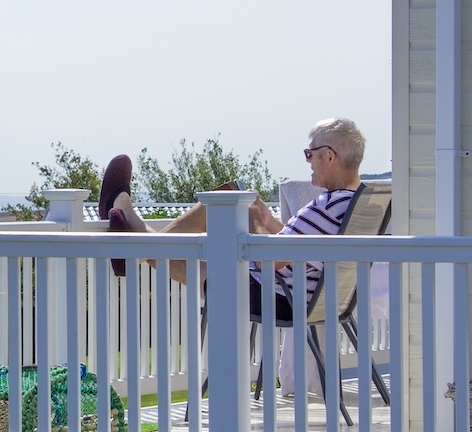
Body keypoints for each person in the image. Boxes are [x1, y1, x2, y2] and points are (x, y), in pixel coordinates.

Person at [100, 117, 366, 321]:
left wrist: (253, 220)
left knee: (217, 207)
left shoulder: (329, 204)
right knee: (228, 203)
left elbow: (268, 260)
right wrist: (268, 220)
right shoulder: (355, 202)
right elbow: (303, 249)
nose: (308, 161)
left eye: (310, 154)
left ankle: (128, 227)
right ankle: (134, 236)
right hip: (305, 295)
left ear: (329, 156)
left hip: (273, 294)